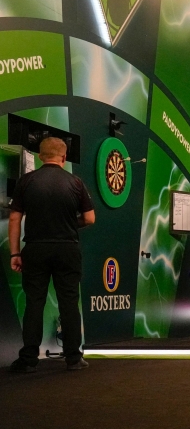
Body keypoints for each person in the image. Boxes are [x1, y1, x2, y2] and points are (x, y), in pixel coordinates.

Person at [8, 137, 95, 372]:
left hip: (35, 248)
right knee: (69, 302)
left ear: (40, 156)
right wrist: (69, 223)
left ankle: (28, 359)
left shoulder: (26, 181)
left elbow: (15, 219)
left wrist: (15, 253)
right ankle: (73, 358)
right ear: (64, 157)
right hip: (67, 248)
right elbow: (89, 218)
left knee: (34, 302)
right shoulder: (75, 182)